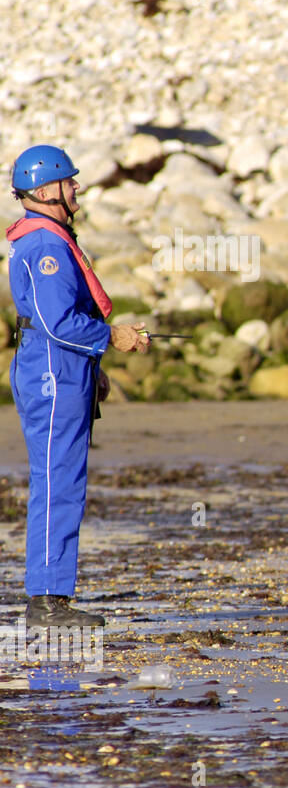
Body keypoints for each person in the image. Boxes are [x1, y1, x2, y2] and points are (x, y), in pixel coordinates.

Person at [7, 145, 151, 629]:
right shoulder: (46, 246)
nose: (78, 188)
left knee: (63, 482)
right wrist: (114, 337)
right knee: (57, 484)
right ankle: (46, 601)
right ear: (46, 191)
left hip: (61, 370)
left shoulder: (47, 237)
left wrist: (95, 369)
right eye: (70, 182)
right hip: (52, 374)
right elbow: (56, 322)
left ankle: (51, 596)